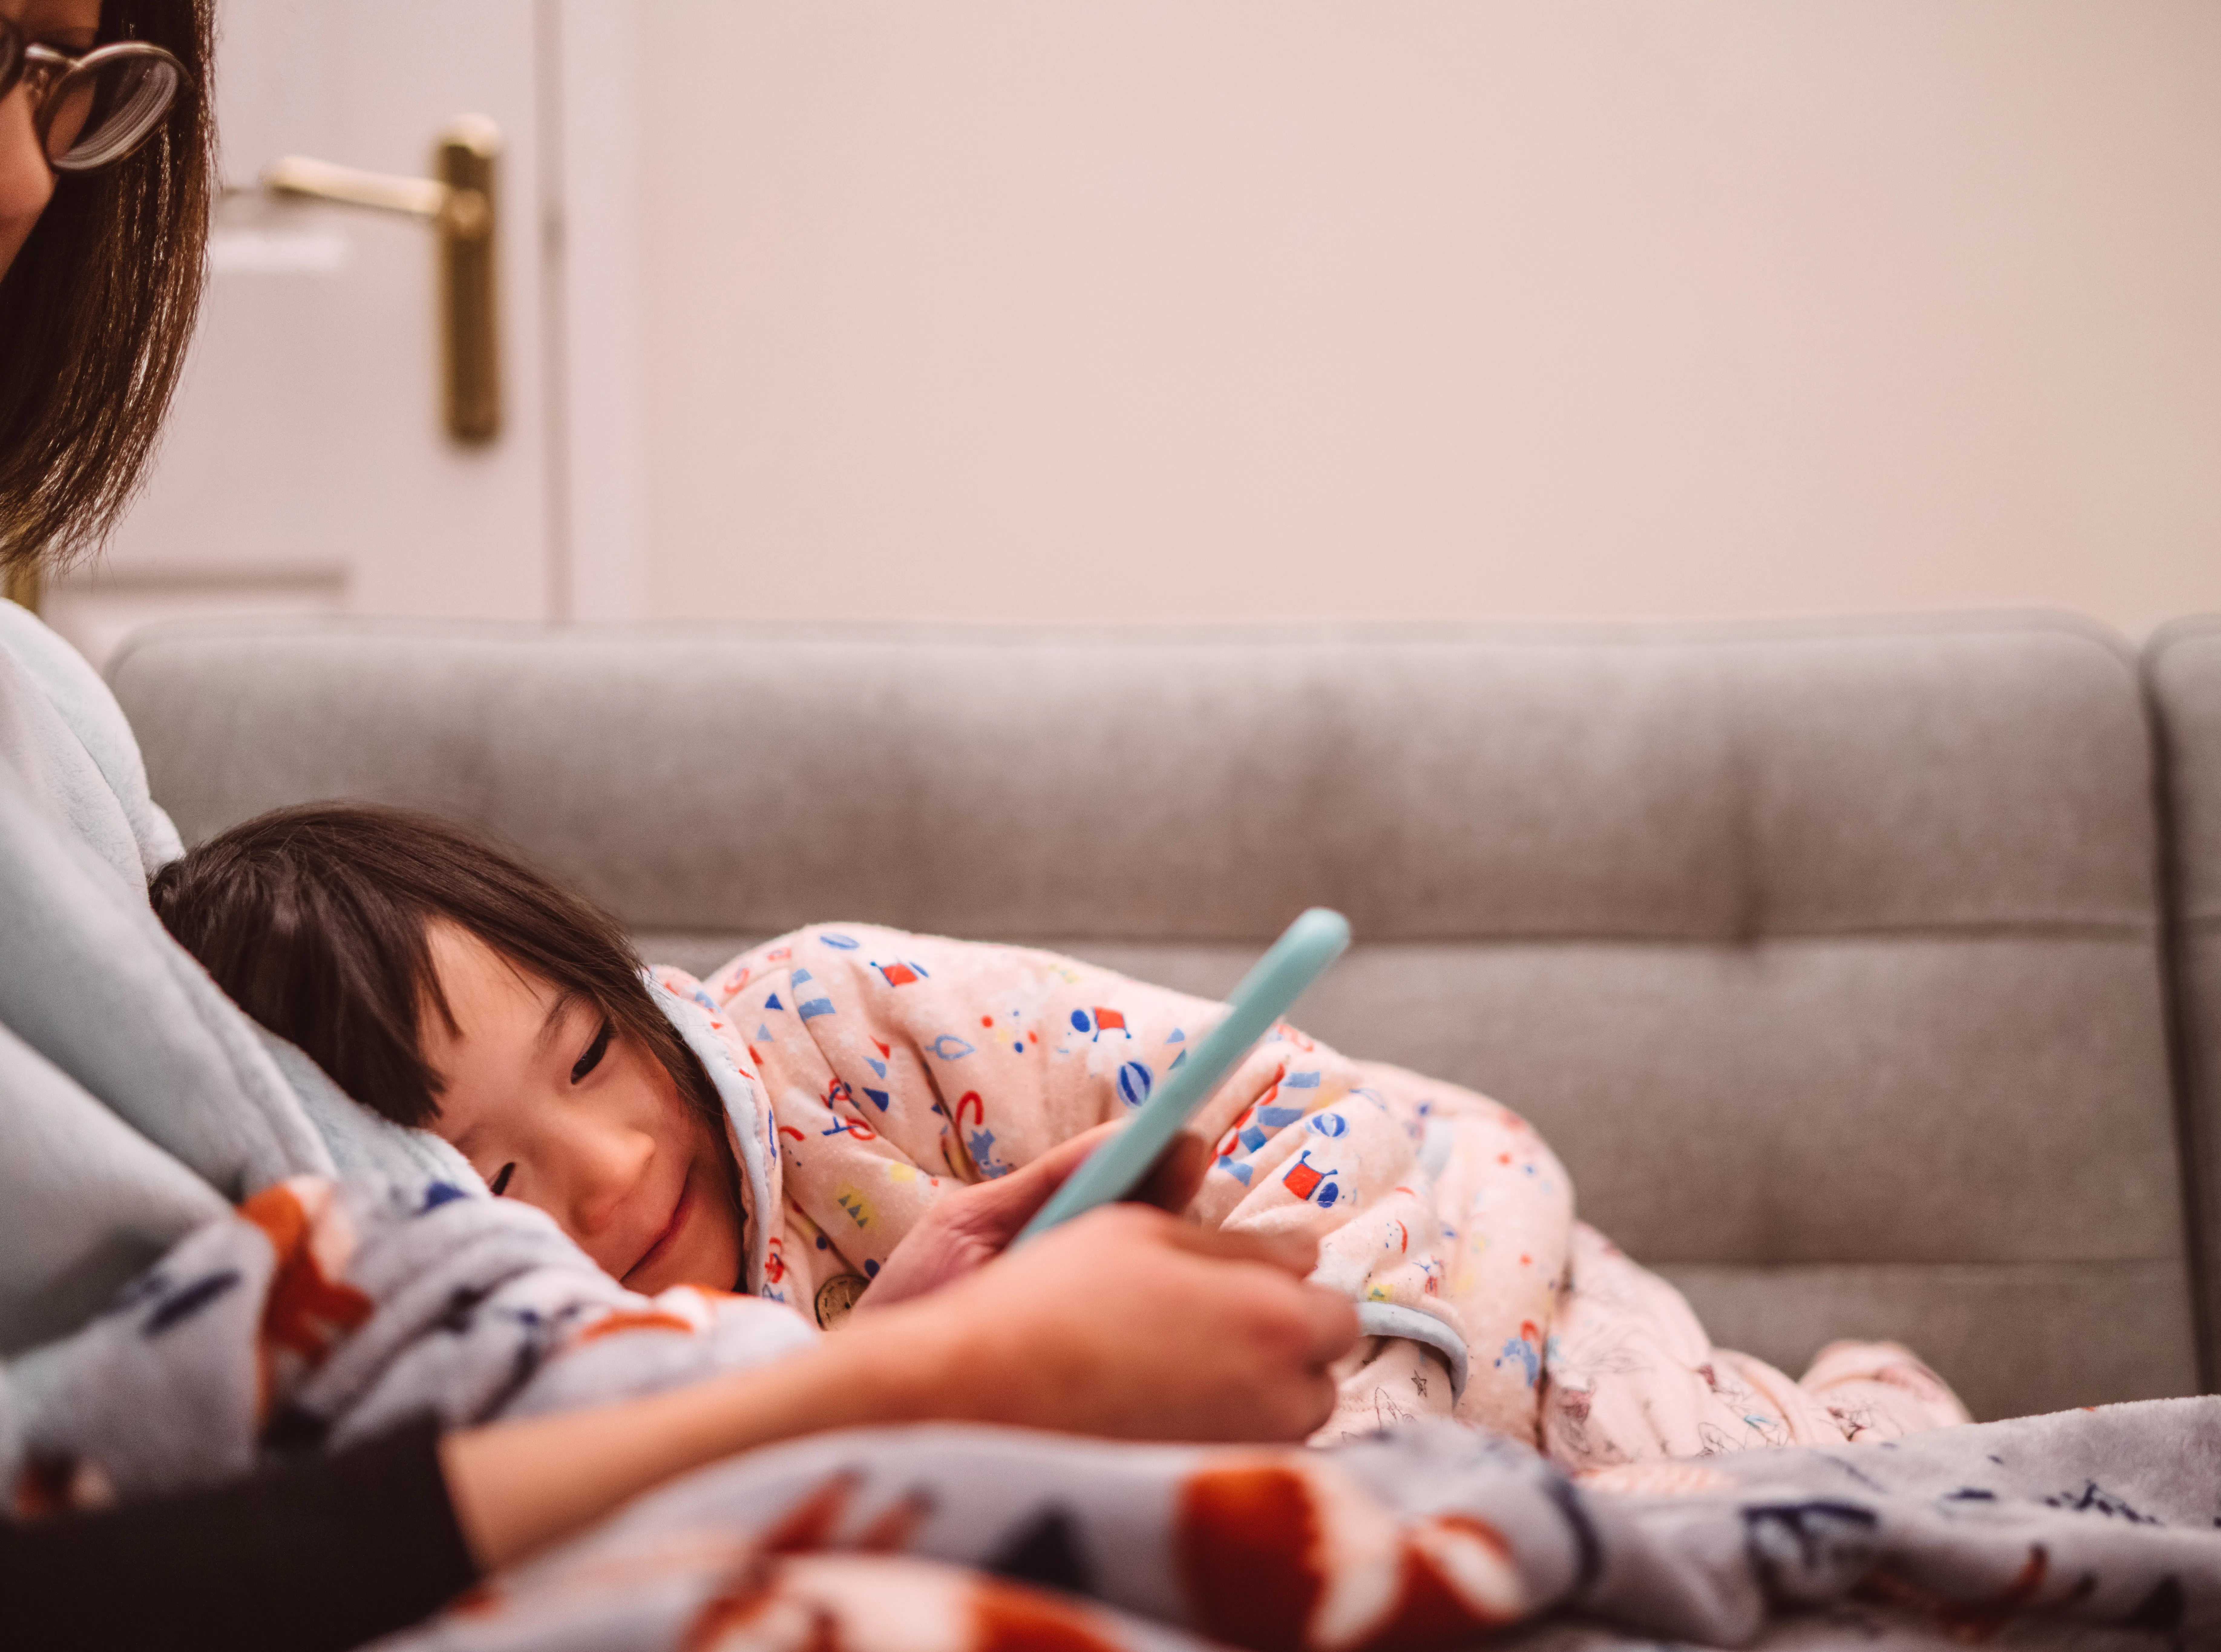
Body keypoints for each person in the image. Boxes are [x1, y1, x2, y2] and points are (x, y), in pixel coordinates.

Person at [0, 5, 1358, 1649]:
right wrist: (913, 1391)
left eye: (53, 76)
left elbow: (361, 1296)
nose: (25, 176)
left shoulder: (47, 710)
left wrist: (873, 1372)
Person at [153, 800, 1976, 1478]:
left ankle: (1853, 1405)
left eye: (589, 1053)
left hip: (1427, 1251)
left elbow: (1311, 1121)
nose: (617, 1167)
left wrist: (1363, 1391)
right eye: (495, 1180)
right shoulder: (555, 1396)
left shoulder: (831, 1020)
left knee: (1687, 1463)